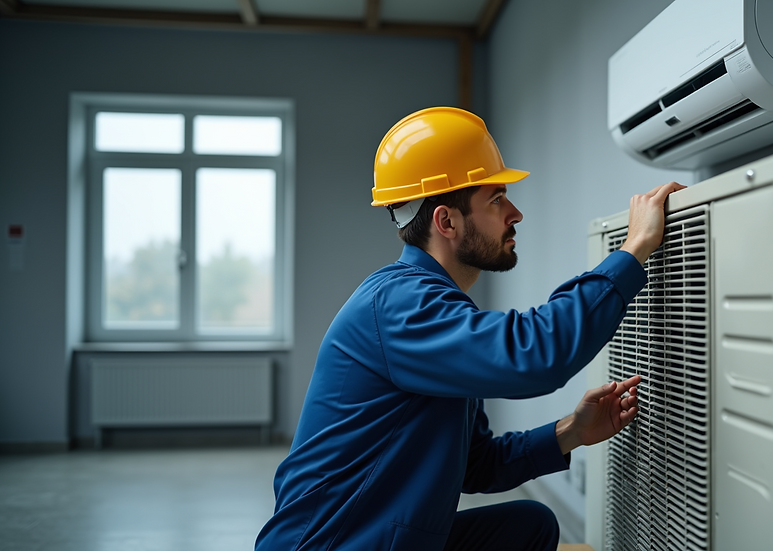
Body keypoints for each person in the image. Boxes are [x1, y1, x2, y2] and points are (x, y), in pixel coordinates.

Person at [254, 107, 684, 551]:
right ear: (447, 221)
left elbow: (475, 464)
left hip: (374, 536)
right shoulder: (399, 304)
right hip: (335, 545)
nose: (515, 212)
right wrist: (633, 250)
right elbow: (534, 355)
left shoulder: (435, 307)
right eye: (497, 198)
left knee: (529, 525)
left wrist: (571, 431)